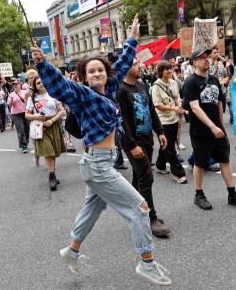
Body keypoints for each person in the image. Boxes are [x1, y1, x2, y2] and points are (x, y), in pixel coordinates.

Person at [32, 16, 172, 286]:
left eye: (101, 70)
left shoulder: (109, 88)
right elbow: (61, 86)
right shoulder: (83, 95)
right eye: (91, 71)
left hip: (100, 162)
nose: (97, 73)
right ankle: (147, 264)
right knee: (141, 209)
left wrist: (132, 37)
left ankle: (71, 250)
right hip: (97, 164)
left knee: (93, 210)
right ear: (84, 76)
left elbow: (121, 65)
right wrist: (42, 63)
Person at [184, 48, 236, 211]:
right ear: (194, 62)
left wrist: (220, 125)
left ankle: (232, 194)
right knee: (200, 162)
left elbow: (219, 103)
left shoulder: (213, 79)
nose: (207, 59)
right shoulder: (190, 82)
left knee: (224, 159)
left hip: (217, 130)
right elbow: (195, 108)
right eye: (202, 57)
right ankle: (199, 195)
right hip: (201, 132)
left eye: (207, 56)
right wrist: (211, 126)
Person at [118, 59, 172, 238]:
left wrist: (160, 131)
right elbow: (122, 121)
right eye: (134, 64)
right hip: (134, 142)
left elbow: (150, 110)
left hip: (147, 138)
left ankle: (134, 211)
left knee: (139, 176)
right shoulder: (121, 90)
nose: (139, 66)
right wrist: (132, 145)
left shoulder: (141, 84)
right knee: (147, 176)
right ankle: (150, 218)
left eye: (138, 63)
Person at [25, 76, 67, 190]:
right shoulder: (32, 98)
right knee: (48, 151)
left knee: (53, 152)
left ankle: (52, 172)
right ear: (35, 85)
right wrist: (35, 116)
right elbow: (27, 114)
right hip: (40, 127)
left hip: (53, 125)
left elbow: (62, 110)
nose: (41, 84)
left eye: (43, 82)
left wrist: (52, 120)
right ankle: (51, 176)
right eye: (38, 83)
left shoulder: (53, 94)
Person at [151, 60, 187, 184]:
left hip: (174, 118)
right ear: (161, 71)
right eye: (167, 69)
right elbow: (157, 105)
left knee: (167, 144)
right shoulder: (156, 86)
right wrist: (173, 108)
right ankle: (178, 173)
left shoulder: (173, 82)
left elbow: (177, 97)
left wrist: (180, 106)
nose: (170, 71)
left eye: (170, 69)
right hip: (162, 121)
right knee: (170, 147)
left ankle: (160, 165)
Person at [8, 80, 30, 153]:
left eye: (16, 84)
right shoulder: (11, 94)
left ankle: (26, 143)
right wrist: (11, 101)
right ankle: (23, 145)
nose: (15, 86)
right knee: (21, 129)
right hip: (16, 114)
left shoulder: (25, 92)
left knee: (27, 129)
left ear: (20, 85)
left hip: (26, 113)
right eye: (13, 85)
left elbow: (30, 100)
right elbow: (9, 104)